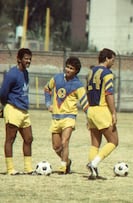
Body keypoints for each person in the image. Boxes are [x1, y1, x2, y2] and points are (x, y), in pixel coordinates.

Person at [44, 56, 89, 174]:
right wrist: (48, 103)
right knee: (56, 147)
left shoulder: (78, 85)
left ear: (76, 71)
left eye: (71, 68)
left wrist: (89, 119)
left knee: (65, 142)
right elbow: (47, 89)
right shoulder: (57, 78)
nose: (68, 70)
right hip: (55, 118)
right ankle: (67, 161)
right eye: (67, 67)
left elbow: (85, 103)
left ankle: (63, 167)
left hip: (69, 117)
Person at [0, 48, 34, 175]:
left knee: (29, 138)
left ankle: (28, 168)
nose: (28, 61)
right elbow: (3, 93)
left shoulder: (26, 73)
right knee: (10, 138)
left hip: (24, 111)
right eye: (26, 58)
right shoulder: (12, 74)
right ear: (19, 59)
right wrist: (4, 107)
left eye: (30, 59)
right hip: (12, 108)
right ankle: (10, 169)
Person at [86, 48, 119, 180]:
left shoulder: (90, 73)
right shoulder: (107, 74)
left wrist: (88, 113)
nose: (113, 63)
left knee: (95, 143)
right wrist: (113, 112)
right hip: (102, 110)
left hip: (91, 110)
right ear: (107, 59)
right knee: (114, 141)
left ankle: (93, 172)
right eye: (112, 60)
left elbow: (87, 92)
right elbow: (108, 93)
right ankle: (93, 164)